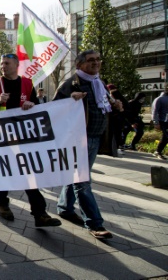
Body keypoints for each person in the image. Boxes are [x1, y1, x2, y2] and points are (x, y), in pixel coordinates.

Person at [0, 53, 61, 228]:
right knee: (3, 171)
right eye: (1, 64)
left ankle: (40, 214)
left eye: (7, 63)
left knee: (28, 173)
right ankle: (2, 204)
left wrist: (32, 105)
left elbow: (35, 107)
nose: (3, 66)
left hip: (23, 137)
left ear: (17, 64)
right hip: (0, 136)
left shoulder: (27, 83)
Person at [53, 49, 120, 239]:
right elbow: (54, 109)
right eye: (91, 60)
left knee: (77, 176)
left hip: (96, 138)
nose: (96, 63)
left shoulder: (99, 84)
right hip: (78, 139)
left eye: (98, 59)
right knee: (82, 182)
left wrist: (116, 106)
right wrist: (70, 100)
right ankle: (95, 223)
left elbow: (105, 106)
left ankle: (65, 207)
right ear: (79, 64)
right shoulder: (70, 84)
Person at [152, 87, 168, 160]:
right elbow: (155, 111)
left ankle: (158, 151)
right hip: (162, 121)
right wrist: (156, 122)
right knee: (165, 136)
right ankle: (158, 151)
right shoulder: (159, 99)